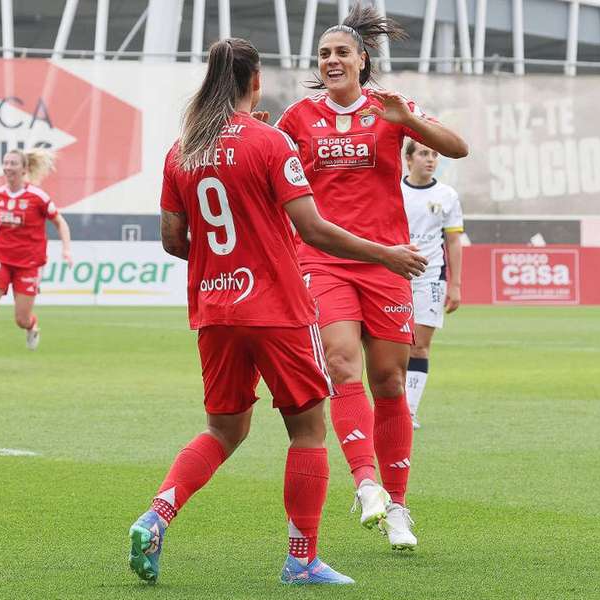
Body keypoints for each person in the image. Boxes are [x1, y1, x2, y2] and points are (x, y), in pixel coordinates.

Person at [127, 38, 426, 586]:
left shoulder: (183, 150)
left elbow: (173, 238)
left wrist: (224, 258)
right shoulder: (269, 142)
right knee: (309, 431)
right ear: (255, 81)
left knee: (222, 429)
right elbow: (312, 230)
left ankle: (156, 516)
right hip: (277, 309)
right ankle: (301, 559)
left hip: (215, 309)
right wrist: (386, 254)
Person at [274, 4, 468, 551]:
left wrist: (408, 121)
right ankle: (365, 483)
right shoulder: (297, 118)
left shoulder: (390, 109)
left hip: (387, 262)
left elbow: (458, 147)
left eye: (341, 52)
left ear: (363, 59)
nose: (331, 61)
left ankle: (399, 505)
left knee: (389, 383)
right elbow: (272, 176)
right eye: (323, 55)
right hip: (322, 260)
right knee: (341, 363)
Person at [0, 148, 72, 374]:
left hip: (29, 262)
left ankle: (31, 326)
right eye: (6, 162)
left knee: (21, 319)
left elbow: (60, 222)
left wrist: (66, 249)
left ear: (24, 169)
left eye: (13, 163)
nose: (8, 167)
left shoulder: (37, 197)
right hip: (0, 257)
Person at [402, 141, 464, 429]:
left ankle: (409, 410)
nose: (431, 160)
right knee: (394, 347)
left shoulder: (447, 196)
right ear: (408, 159)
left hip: (431, 277)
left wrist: (455, 284)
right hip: (395, 274)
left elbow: (453, 240)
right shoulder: (394, 191)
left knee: (419, 347)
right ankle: (394, 405)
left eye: (434, 154)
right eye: (424, 153)